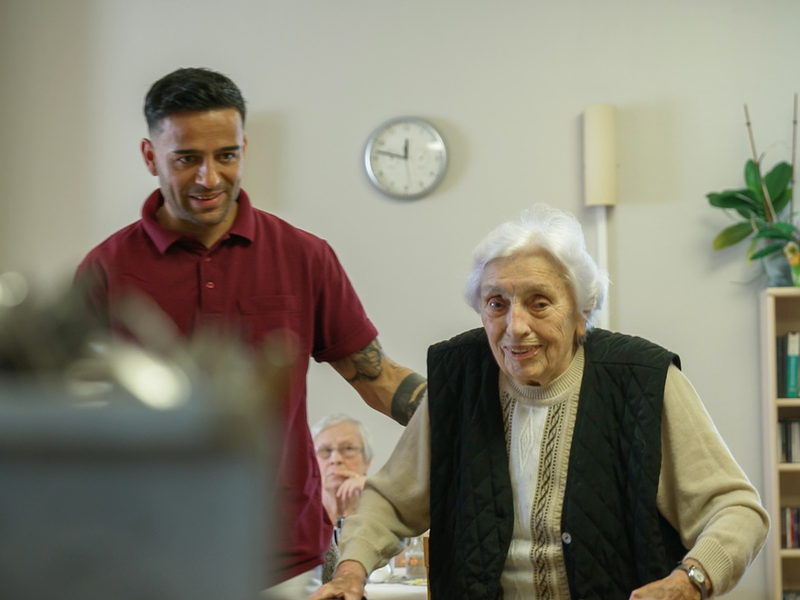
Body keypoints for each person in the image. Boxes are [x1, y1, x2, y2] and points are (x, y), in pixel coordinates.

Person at [73, 67, 427, 599]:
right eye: (186, 158)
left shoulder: (304, 257)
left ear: (244, 146)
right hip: (145, 557)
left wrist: (469, 409)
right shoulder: (106, 271)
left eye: (226, 155)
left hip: (280, 559)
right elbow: (67, 416)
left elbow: (375, 376)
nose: (209, 178)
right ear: (150, 157)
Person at [311, 204, 770, 600]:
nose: (515, 327)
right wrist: (352, 568)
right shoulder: (460, 381)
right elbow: (390, 501)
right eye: (496, 303)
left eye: (539, 302)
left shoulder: (643, 381)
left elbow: (736, 511)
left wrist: (691, 579)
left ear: (581, 312)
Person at [311, 414, 375, 583]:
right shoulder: (301, 520)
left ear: (367, 461)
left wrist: (374, 493)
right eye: (325, 451)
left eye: (348, 449)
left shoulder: (386, 514)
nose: (336, 459)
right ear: (311, 462)